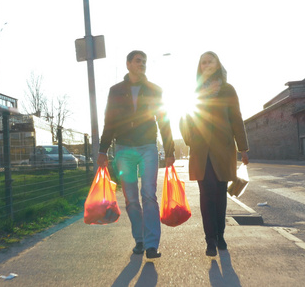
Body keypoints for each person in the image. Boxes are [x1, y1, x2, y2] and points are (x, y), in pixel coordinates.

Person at [97, 50, 175, 259]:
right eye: (138, 61)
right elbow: (109, 122)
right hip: (123, 149)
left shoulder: (153, 90)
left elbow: (164, 120)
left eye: (144, 62)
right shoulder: (116, 91)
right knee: (131, 199)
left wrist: (169, 150)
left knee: (149, 195)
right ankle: (139, 240)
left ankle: (151, 245)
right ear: (128, 64)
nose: (142, 64)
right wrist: (102, 150)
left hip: (148, 146)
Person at [180, 51, 249, 257]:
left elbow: (236, 118)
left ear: (218, 64)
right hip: (201, 151)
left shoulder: (228, 90)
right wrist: (190, 139)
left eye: (210, 61)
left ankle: (220, 235)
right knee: (206, 193)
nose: (207, 64)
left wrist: (243, 148)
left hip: (223, 149)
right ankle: (210, 239)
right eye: (203, 62)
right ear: (199, 67)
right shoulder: (195, 91)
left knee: (220, 193)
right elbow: (184, 118)